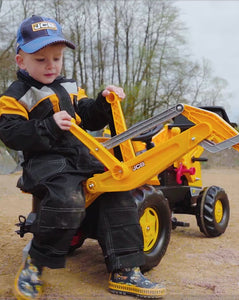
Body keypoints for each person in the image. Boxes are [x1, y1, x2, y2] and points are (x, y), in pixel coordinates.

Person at [0, 15, 166, 299]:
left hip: (83, 159)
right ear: (21, 61)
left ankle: (125, 270)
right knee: (68, 200)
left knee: (119, 189)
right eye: (41, 59)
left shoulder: (70, 87)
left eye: (57, 58)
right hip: (46, 164)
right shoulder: (16, 96)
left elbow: (88, 116)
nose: (51, 65)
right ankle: (36, 262)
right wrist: (49, 125)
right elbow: (11, 133)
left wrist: (104, 101)